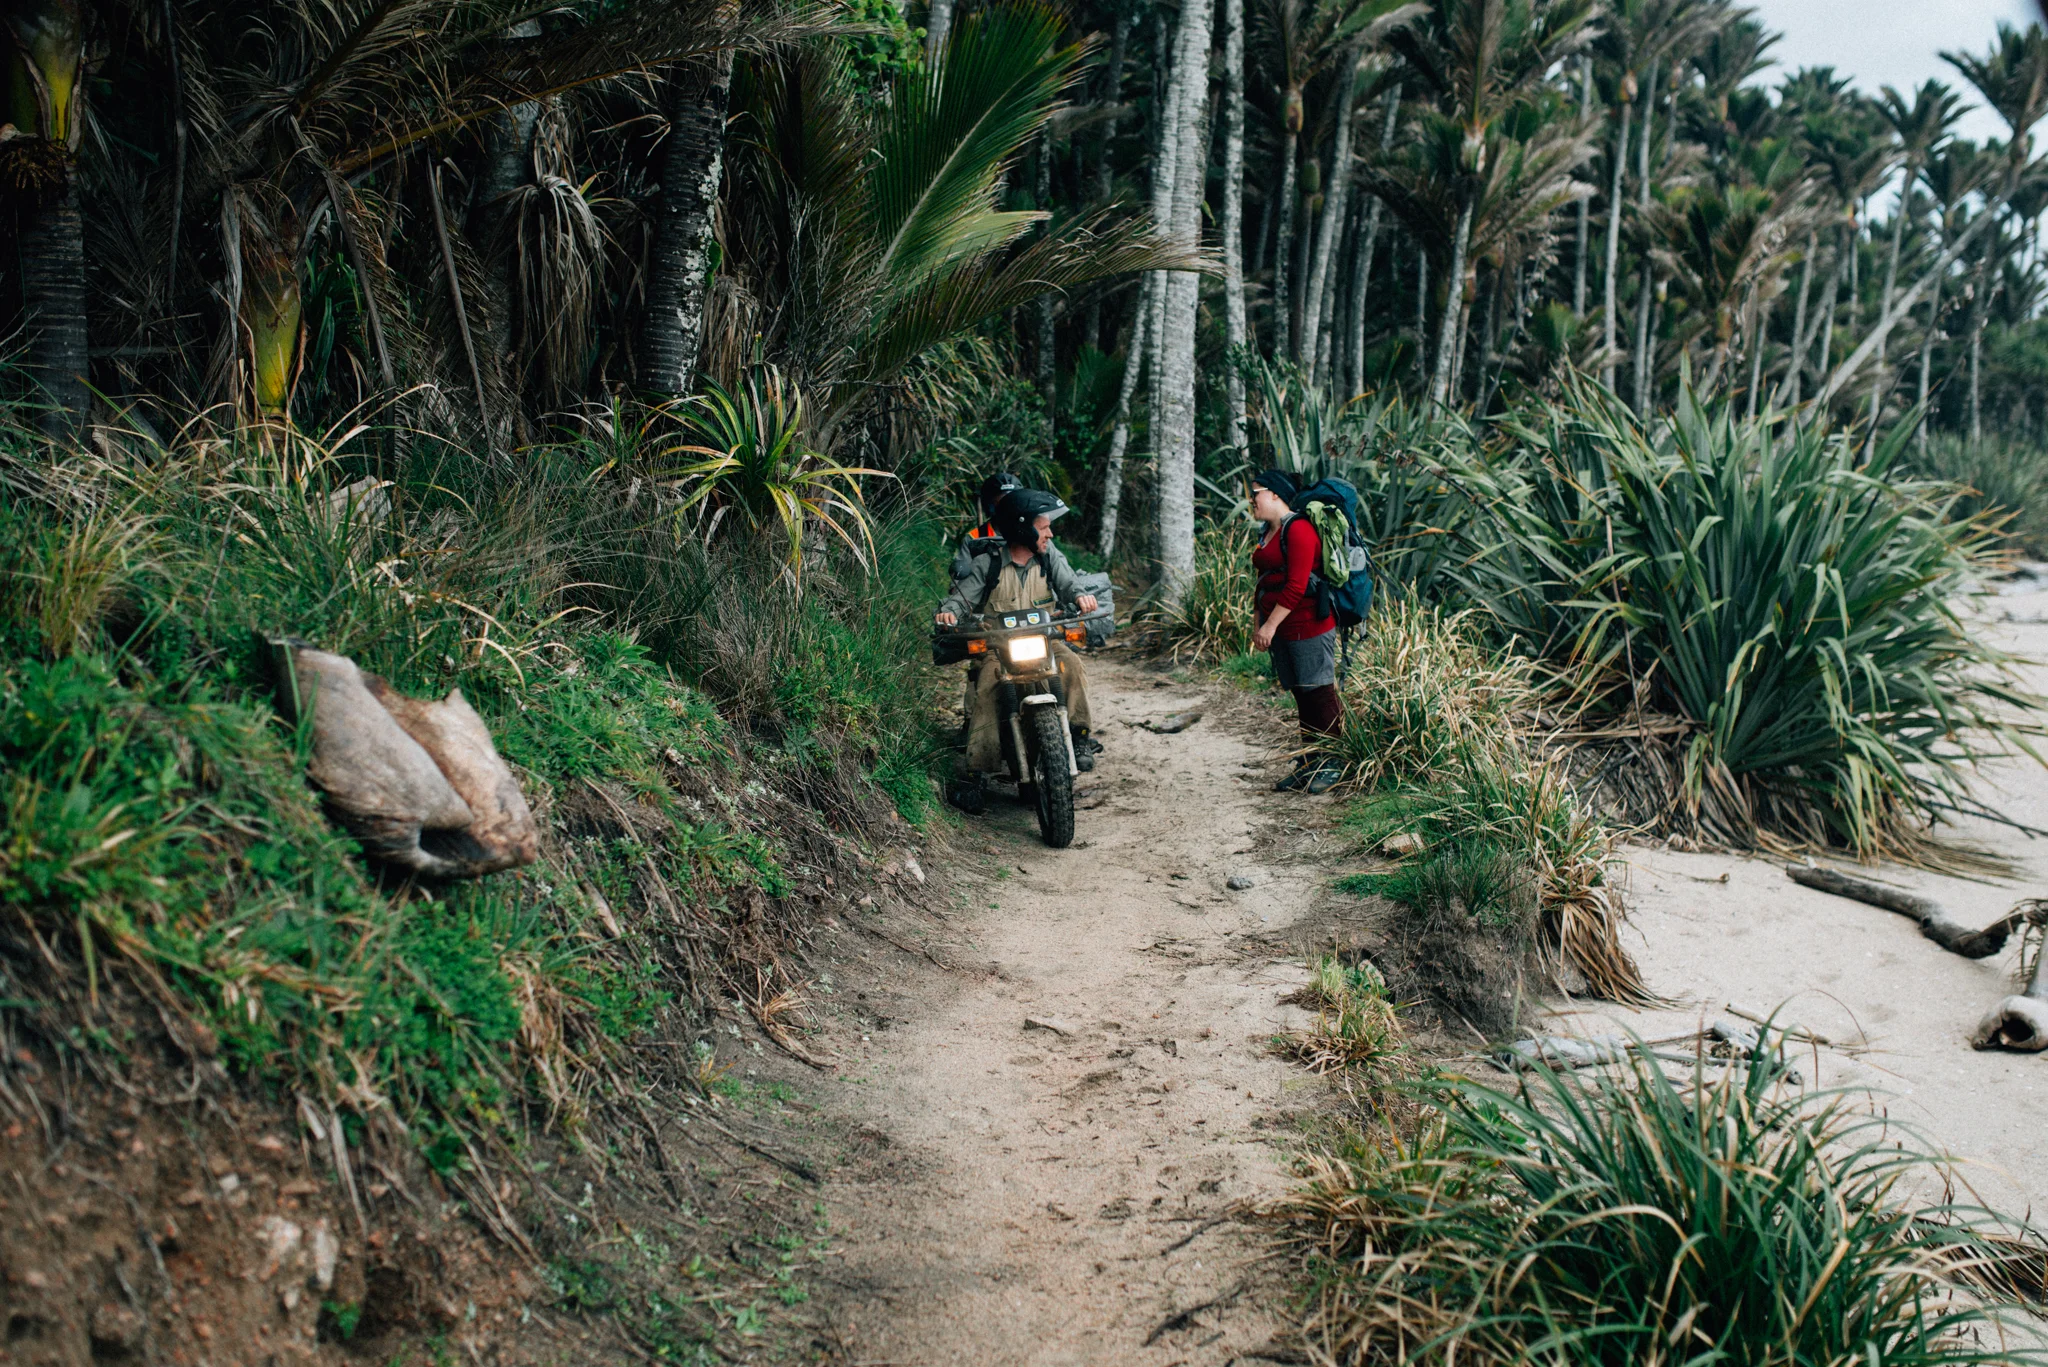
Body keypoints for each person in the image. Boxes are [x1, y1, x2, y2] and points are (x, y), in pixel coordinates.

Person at [935, 489, 1102, 808]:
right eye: (1043, 527)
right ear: (1023, 528)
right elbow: (962, 596)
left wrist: (1081, 597)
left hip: (1045, 640)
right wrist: (950, 612)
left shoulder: (1048, 554)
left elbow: (1069, 583)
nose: (1049, 533)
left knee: (1072, 667)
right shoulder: (988, 562)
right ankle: (977, 775)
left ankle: (1079, 738)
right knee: (987, 685)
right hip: (999, 649)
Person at [1250, 469, 1344, 794]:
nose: (1252, 500)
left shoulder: (1300, 529)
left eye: (1256, 493)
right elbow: (1265, 581)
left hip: (1310, 625)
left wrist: (1269, 625)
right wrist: (1259, 624)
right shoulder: (1268, 532)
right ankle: (1309, 762)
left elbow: (1297, 585)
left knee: (1318, 691)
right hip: (1284, 630)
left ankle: (1333, 764)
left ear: (1275, 494)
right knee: (1301, 694)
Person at [950, 471, 1025, 584]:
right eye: (1001, 503)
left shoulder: (1032, 535)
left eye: (1012, 502)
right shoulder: (975, 538)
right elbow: (958, 584)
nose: (1008, 508)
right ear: (989, 505)